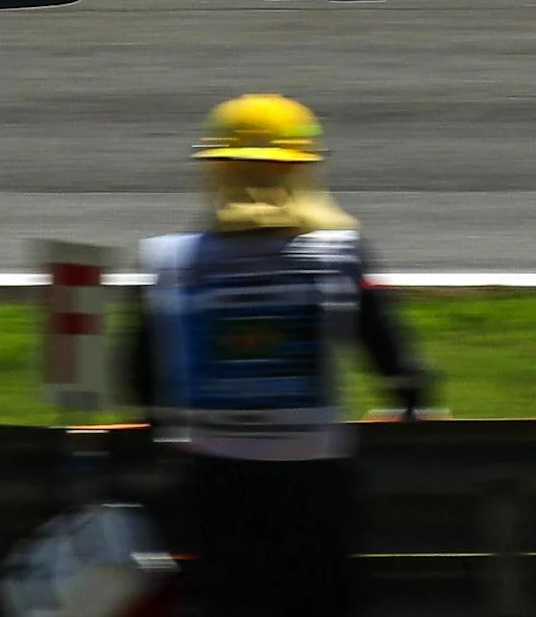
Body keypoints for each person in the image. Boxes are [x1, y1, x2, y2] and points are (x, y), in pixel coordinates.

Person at [121, 93, 430, 617]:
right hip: (315, 489)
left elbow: (138, 377)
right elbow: (396, 362)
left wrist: (165, 424)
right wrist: (409, 401)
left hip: (215, 487)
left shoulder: (169, 262)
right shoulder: (337, 254)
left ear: (214, 171)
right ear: (303, 171)